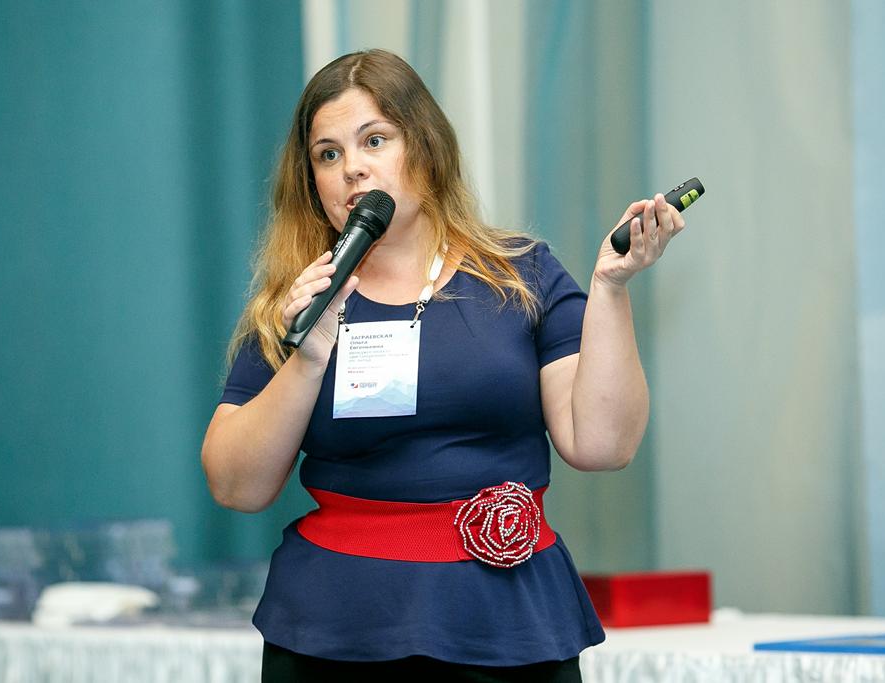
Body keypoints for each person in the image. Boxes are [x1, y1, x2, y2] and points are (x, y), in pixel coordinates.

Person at [201, 49, 685, 682]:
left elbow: (601, 445)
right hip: (335, 626)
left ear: (425, 148)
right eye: (328, 154)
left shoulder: (521, 274)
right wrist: (309, 357)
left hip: (507, 620)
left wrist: (611, 288)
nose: (353, 168)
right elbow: (236, 487)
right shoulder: (297, 300)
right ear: (312, 181)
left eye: (375, 140)